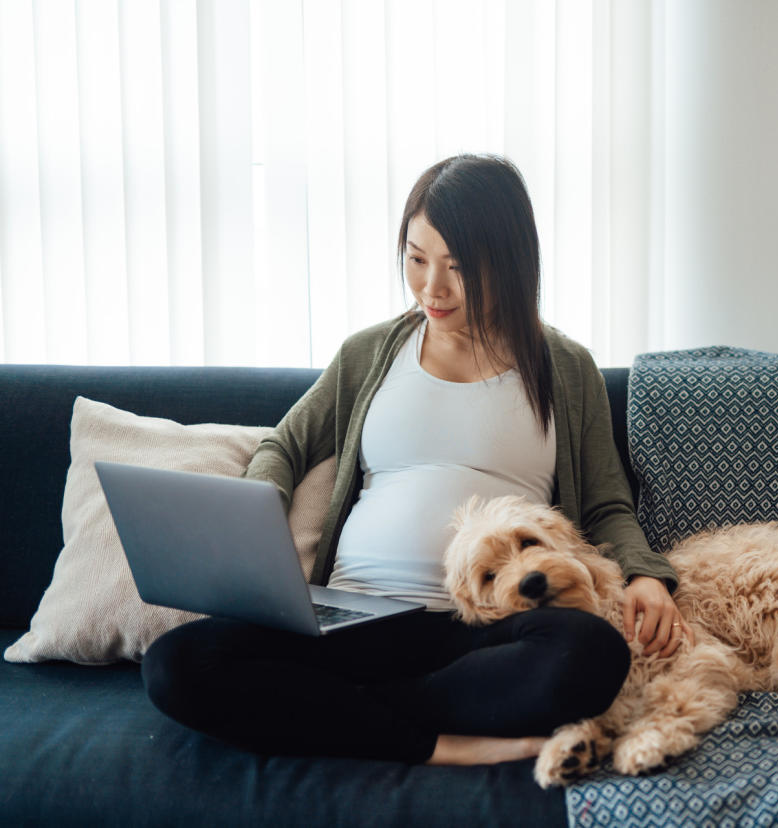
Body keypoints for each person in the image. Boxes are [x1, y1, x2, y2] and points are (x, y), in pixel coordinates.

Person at [141, 154, 692, 766]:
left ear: (510, 264)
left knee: (589, 652)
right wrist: (258, 521)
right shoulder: (370, 353)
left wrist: (647, 574)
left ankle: (337, 713)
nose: (433, 287)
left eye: (459, 268)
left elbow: (607, 503)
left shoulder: (565, 366)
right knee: (176, 664)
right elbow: (285, 447)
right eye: (416, 257)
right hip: (348, 617)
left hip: (481, 631)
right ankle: (436, 740)